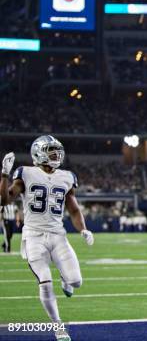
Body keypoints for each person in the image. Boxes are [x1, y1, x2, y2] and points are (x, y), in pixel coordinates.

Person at [1, 136, 94, 341]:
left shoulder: (67, 176)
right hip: (34, 236)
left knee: (76, 282)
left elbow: (74, 209)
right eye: (51, 151)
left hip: (58, 235)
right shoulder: (25, 173)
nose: (56, 155)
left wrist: (83, 230)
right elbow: (4, 199)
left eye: (57, 151)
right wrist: (4, 175)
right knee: (45, 281)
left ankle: (65, 278)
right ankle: (58, 325)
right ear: (39, 152)